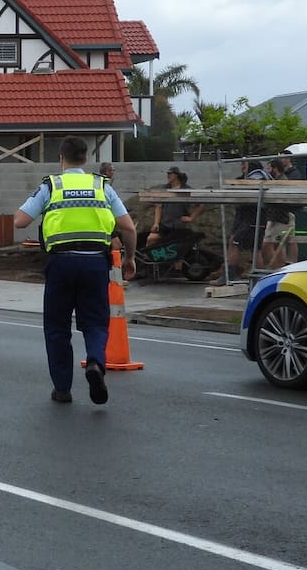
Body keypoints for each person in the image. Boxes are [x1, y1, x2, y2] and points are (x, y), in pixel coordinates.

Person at [14, 136, 136, 406]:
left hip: (60, 264)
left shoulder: (51, 185)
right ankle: (95, 362)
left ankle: (62, 389)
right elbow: (128, 227)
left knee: (57, 327)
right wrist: (129, 258)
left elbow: (20, 221)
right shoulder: (101, 185)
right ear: (86, 159)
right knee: (96, 322)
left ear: (61, 158)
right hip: (95, 263)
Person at [218, 160, 270, 284]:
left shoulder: (258, 178)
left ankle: (233, 275)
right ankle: (233, 274)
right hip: (243, 217)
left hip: (252, 217)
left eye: (245, 165)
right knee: (244, 245)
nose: (242, 167)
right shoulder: (243, 179)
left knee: (244, 245)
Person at [145, 167, 202, 248]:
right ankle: (148, 255)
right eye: (167, 173)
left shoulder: (186, 189)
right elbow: (158, 207)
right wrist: (156, 223)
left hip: (180, 226)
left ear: (176, 175)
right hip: (165, 224)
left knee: (176, 246)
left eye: (170, 173)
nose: (168, 175)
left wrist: (191, 218)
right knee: (151, 239)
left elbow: (199, 205)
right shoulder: (164, 189)